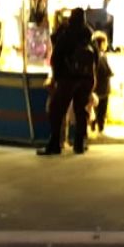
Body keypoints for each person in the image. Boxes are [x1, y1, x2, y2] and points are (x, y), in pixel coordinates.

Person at [39, 9, 96, 156]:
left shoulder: (67, 33)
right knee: (81, 111)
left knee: (56, 110)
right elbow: (94, 58)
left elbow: (56, 56)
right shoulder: (88, 34)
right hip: (85, 79)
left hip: (68, 79)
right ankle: (79, 144)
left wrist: (56, 78)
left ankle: (55, 144)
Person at [91, 32, 114, 134]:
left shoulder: (92, 54)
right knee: (102, 110)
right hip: (103, 88)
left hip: (94, 87)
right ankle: (100, 127)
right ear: (100, 44)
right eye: (105, 43)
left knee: (95, 108)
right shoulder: (102, 56)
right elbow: (107, 71)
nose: (107, 45)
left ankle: (93, 125)